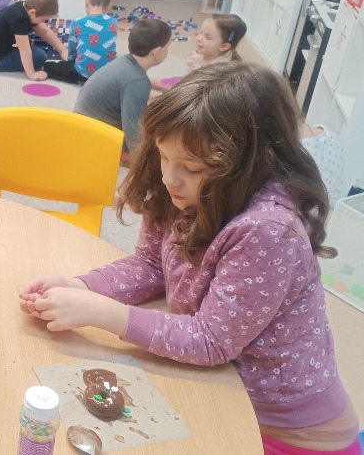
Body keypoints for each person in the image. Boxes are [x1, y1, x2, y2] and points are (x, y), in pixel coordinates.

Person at [20, 62, 361, 455]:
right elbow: (150, 265)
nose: (169, 177)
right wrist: (80, 286)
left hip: (288, 428)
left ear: (256, 162)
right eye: (164, 156)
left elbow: (211, 340)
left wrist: (99, 311)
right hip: (220, 391)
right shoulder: (178, 188)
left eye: (193, 168)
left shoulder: (268, 230)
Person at [73, 18, 171, 153]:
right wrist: (142, 161)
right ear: (156, 52)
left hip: (82, 125)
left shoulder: (125, 63)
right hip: (94, 138)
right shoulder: (137, 81)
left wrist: (154, 86)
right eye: (167, 47)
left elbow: (127, 84)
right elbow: (133, 131)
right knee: (159, 139)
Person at [66, 0, 117, 79]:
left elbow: (72, 50)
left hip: (82, 74)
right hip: (109, 74)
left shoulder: (77, 22)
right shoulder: (113, 22)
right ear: (109, 4)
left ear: (86, 1)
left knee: (51, 66)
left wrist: (71, 59)